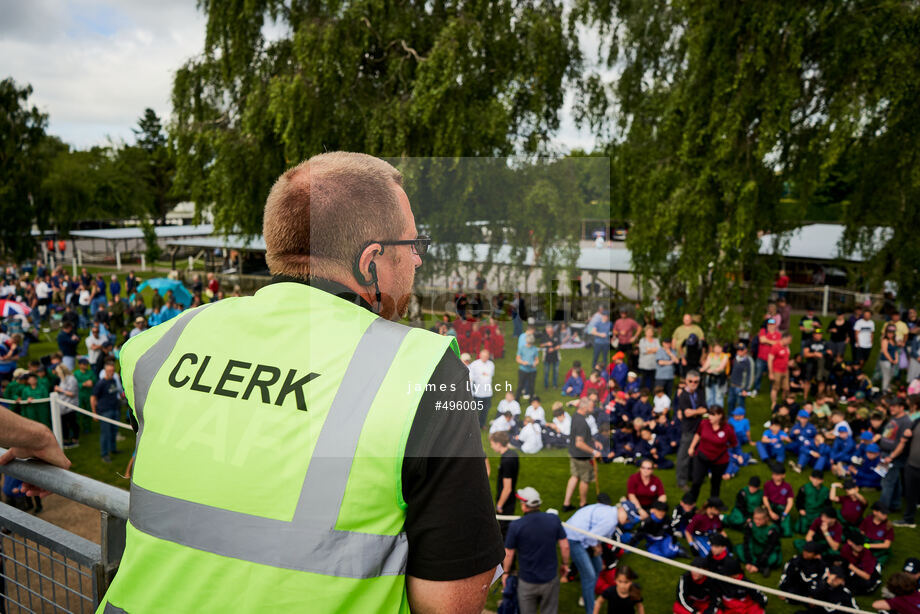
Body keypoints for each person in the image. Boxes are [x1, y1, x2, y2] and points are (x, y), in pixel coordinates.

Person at [99, 153, 503, 613]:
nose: (416, 258)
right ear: (371, 261)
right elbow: (449, 604)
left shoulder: (161, 344)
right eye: (412, 243)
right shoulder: (424, 371)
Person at [502, 487, 569, 614]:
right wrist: (565, 564)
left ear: (524, 506)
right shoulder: (553, 519)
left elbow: (509, 553)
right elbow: (565, 546)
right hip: (550, 580)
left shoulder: (516, 526)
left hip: (527, 582)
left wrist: (506, 573)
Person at [564, 493, 620, 614]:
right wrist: (596, 548)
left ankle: (587, 596)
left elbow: (594, 536)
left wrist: (597, 546)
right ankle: (590, 610)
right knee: (589, 576)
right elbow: (590, 538)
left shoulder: (610, 515)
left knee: (598, 567)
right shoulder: (610, 519)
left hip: (585, 539)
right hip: (575, 539)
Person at [687, 405, 736, 502]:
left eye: (713, 415)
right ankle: (690, 502)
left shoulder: (727, 429)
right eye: (709, 414)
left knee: (715, 483)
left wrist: (722, 448)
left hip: (719, 461)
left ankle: (713, 504)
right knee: (696, 481)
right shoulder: (704, 423)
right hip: (701, 456)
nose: (710, 417)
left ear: (720, 416)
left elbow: (733, 443)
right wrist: (692, 447)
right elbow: (698, 434)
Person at [564, 397, 602, 511]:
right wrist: (594, 451)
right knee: (585, 479)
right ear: (584, 408)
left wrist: (593, 441)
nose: (593, 408)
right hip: (582, 457)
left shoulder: (576, 415)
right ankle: (583, 504)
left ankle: (566, 504)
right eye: (591, 406)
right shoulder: (582, 423)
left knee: (574, 476)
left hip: (573, 453)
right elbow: (579, 443)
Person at [675, 371, 707, 491]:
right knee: (684, 456)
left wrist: (695, 412)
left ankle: (693, 476)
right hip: (688, 429)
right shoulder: (683, 395)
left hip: (699, 428)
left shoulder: (700, 392)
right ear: (686, 381)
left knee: (696, 455)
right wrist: (698, 411)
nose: (693, 384)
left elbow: (705, 409)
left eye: (696, 382)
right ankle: (681, 481)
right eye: (691, 381)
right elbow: (687, 413)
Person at [90, 358, 123, 463]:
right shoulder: (101, 383)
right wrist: (94, 413)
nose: (111, 373)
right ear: (105, 371)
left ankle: (113, 449)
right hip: (105, 411)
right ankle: (104, 454)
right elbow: (93, 398)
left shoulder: (113, 380)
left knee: (114, 431)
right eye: (109, 371)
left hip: (115, 409)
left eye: (112, 371)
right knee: (105, 434)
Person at [735, 507, 781, 578]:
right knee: (739, 549)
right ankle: (760, 567)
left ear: (767, 519)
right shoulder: (751, 525)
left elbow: (769, 547)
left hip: (766, 550)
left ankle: (759, 568)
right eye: (755, 518)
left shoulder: (772, 530)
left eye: (759, 519)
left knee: (774, 559)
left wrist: (757, 565)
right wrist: (748, 561)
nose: (756, 521)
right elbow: (747, 541)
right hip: (754, 547)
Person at [469, 349, 496, 429]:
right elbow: (470, 376)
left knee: (485, 410)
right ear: (480, 356)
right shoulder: (474, 364)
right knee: (476, 410)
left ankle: (482, 424)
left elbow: (491, 375)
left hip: (488, 392)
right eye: (483, 356)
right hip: (478, 392)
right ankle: (474, 425)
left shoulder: (491, 364)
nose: (485, 357)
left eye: (486, 356)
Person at [726, 343, 754, 413]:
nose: (739, 351)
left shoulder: (748, 361)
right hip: (732, 385)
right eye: (738, 350)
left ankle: (741, 421)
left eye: (741, 350)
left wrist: (746, 389)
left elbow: (750, 376)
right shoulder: (736, 358)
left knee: (740, 405)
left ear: (745, 350)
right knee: (730, 403)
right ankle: (730, 419)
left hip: (741, 387)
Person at [516, 333, 540, 402]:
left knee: (531, 386)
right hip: (523, 370)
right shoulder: (522, 348)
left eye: (531, 343)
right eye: (529, 343)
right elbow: (518, 358)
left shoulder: (534, 349)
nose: (530, 345)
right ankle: (517, 399)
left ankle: (531, 399)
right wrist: (523, 362)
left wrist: (535, 363)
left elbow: (537, 359)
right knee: (520, 385)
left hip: (532, 370)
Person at [539, 323, 561, 389]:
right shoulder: (544, 336)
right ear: (546, 330)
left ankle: (555, 385)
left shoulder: (556, 335)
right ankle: (546, 385)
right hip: (546, 357)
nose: (548, 332)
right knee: (546, 372)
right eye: (547, 330)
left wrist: (553, 349)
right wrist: (547, 343)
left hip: (555, 357)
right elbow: (541, 345)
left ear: (552, 329)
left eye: (550, 330)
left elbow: (559, 345)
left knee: (555, 372)